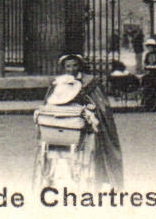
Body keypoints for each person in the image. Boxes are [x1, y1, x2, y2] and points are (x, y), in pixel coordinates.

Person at [34, 54, 124, 191]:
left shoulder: (90, 82)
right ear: (64, 68)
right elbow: (50, 101)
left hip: (82, 121)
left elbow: (99, 104)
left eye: (74, 65)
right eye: (68, 66)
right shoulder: (58, 82)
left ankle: (95, 180)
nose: (71, 69)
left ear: (80, 66)